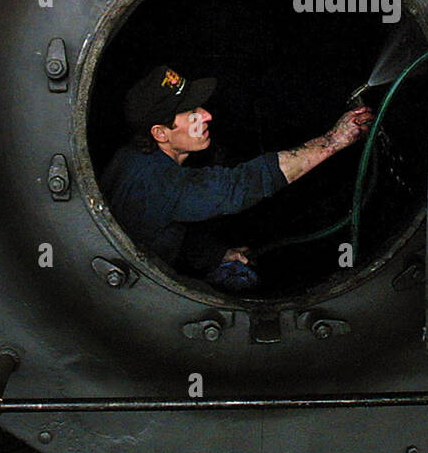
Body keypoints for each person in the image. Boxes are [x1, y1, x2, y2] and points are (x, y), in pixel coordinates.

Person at [98, 64, 373, 292]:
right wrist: (333, 141)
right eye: (192, 113)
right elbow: (242, 185)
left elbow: (155, 228)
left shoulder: (131, 157)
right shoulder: (158, 181)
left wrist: (216, 255)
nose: (206, 115)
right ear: (160, 133)